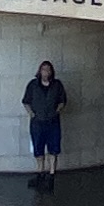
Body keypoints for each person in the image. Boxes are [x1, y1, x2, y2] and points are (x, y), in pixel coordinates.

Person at [23, 56, 68, 188]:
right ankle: (40, 173)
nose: (45, 72)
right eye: (43, 70)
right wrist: (32, 114)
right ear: (40, 71)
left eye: (48, 70)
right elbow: (26, 101)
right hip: (37, 122)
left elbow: (62, 101)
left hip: (52, 121)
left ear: (51, 72)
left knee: (53, 148)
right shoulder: (33, 85)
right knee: (38, 147)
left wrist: (57, 111)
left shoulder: (57, 85)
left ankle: (52, 174)